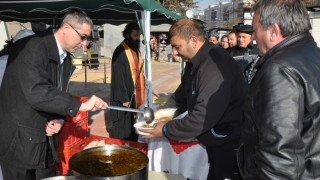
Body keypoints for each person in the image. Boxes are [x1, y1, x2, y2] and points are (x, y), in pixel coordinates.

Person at [0, 9, 108, 180]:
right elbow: (37, 92)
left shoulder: (65, 59)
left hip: (44, 142)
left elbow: (56, 94)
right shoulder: (33, 47)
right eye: (83, 37)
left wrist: (59, 119)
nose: (84, 44)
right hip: (19, 145)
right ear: (66, 28)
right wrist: (80, 105)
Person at [141, 18, 247, 180]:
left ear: (193, 40)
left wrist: (165, 130)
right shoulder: (194, 62)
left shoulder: (213, 65)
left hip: (228, 143)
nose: (174, 53)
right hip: (214, 140)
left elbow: (200, 119)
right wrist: (161, 116)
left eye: (177, 47)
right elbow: (181, 96)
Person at [238, 0, 320, 179]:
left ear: (273, 31)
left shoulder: (280, 69)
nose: (252, 37)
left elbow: (278, 158)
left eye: (255, 30)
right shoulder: (313, 54)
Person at [110, 22, 145, 141]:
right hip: (125, 98)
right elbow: (117, 77)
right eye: (135, 35)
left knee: (133, 125)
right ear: (127, 35)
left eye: (139, 36)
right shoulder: (120, 51)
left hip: (135, 95)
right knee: (124, 126)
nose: (138, 38)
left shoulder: (135, 50)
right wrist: (123, 98)